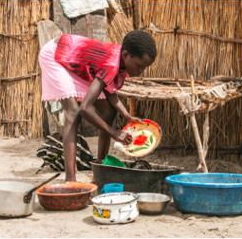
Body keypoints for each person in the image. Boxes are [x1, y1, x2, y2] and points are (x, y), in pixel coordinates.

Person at [38, 30, 157, 181]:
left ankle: (100, 172)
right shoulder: (111, 63)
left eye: (144, 68)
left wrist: (126, 116)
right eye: (140, 66)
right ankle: (71, 180)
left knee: (109, 112)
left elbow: (110, 91)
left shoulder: (120, 60)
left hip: (76, 63)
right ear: (127, 55)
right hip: (55, 56)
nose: (141, 71)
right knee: (73, 113)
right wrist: (114, 133)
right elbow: (85, 108)